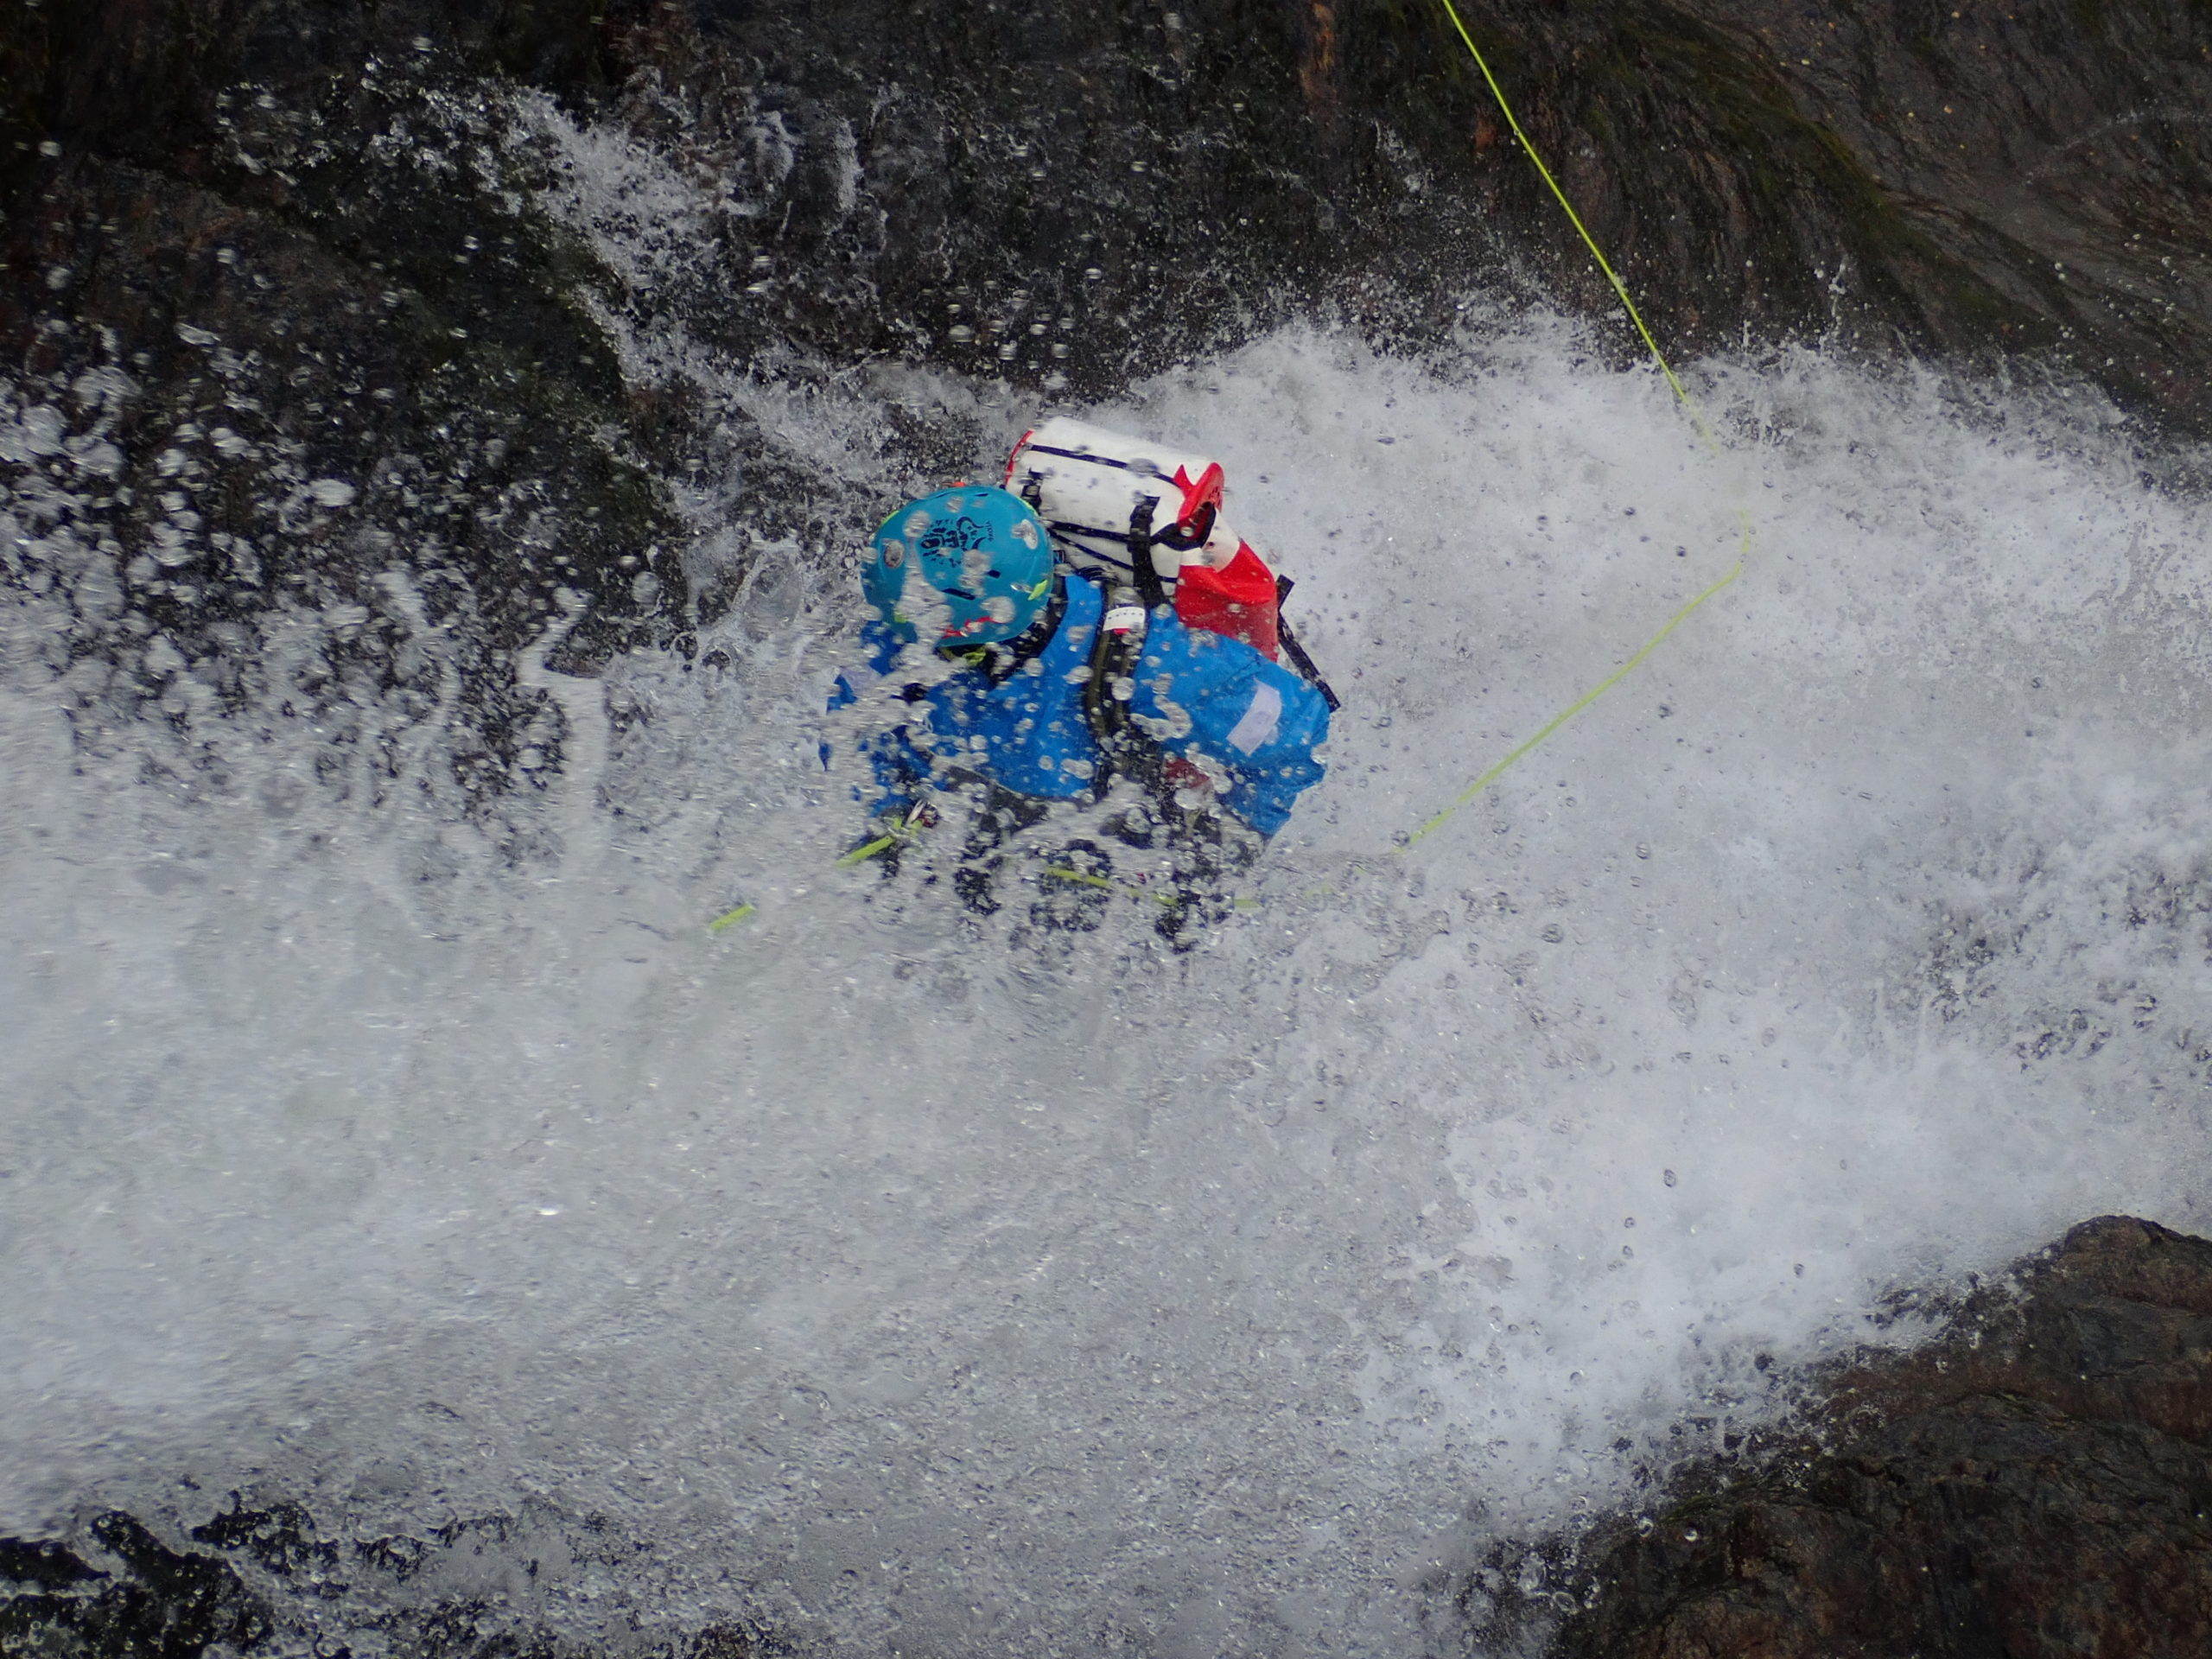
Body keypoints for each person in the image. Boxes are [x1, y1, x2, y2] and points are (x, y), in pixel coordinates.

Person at [825, 482, 1332, 936]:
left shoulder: (1150, 663)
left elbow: (1297, 733)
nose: (900, 641)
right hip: (969, 861)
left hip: (1104, 878)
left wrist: (1220, 857)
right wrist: (886, 810)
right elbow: (852, 724)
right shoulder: (906, 629)